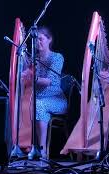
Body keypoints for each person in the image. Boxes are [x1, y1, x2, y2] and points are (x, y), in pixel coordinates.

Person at [21, 26, 67, 158]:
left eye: (40, 39)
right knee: (31, 105)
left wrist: (33, 77)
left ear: (49, 40)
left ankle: (42, 150)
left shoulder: (57, 57)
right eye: (35, 40)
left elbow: (50, 81)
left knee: (38, 105)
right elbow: (27, 81)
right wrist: (23, 76)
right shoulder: (34, 60)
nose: (37, 43)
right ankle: (30, 147)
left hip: (56, 100)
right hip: (38, 100)